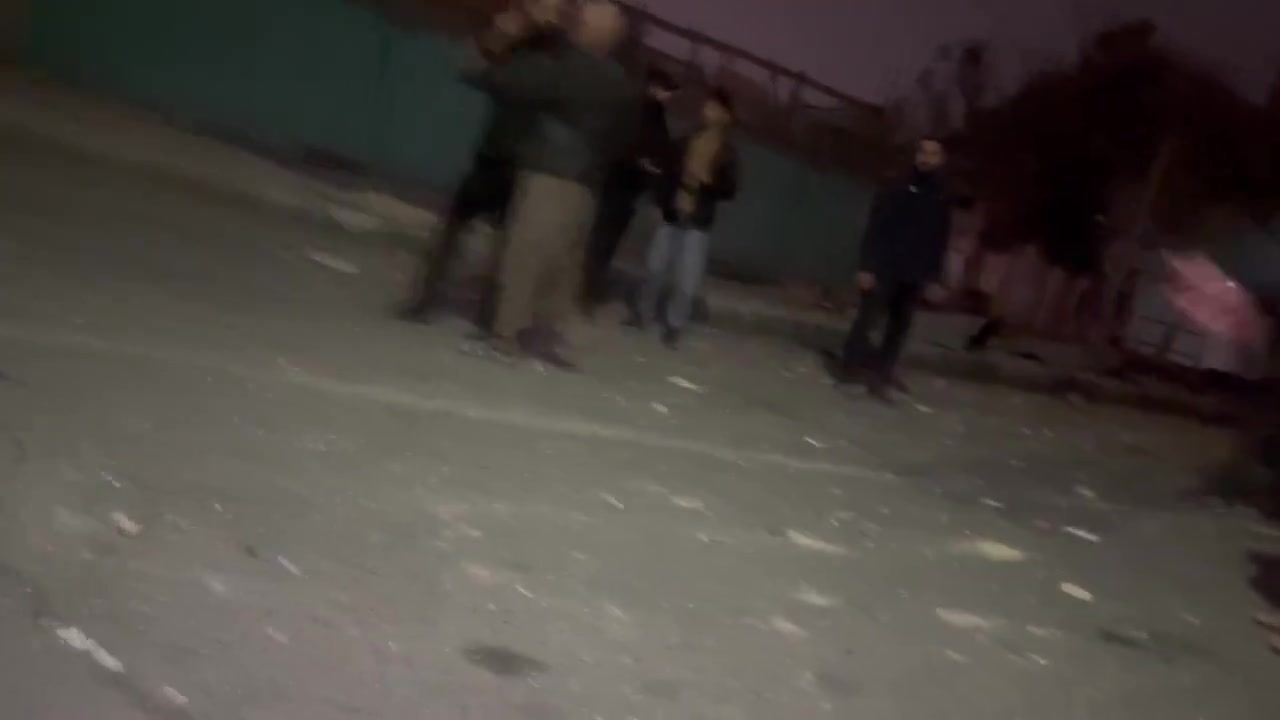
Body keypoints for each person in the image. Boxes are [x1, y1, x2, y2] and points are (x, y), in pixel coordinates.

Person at [468, 0, 640, 369]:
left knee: (525, 257)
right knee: (562, 268)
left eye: (579, 16)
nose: (573, 19)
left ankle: (505, 338)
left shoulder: (567, 66)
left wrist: (518, 31)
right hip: (587, 186)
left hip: (549, 176)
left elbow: (498, 77)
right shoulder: (620, 83)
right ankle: (544, 340)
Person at [399, 0, 567, 326]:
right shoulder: (529, 47)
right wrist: (500, 33)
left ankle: (467, 308)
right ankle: (434, 300)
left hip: (518, 163)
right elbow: (479, 64)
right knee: (463, 234)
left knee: (498, 245)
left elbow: (484, 70)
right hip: (499, 158)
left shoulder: (554, 54)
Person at [832, 136, 951, 400]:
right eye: (922, 152)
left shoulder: (941, 197)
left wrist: (933, 276)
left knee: (899, 327)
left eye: (932, 154)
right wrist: (867, 266)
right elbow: (876, 228)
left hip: (914, 272)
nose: (925, 158)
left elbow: (939, 239)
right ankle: (849, 368)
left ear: (941, 159)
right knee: (868, 319)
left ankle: (881, 373)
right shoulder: (896, 186)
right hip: (884, 267)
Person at [626, 88, 740, 348]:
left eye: (714, 108)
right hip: (673, 214)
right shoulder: (687, 139)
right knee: (654, 268)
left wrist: (708, 184)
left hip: (698, 221)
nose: (707, 112)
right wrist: (662, 202)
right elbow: (667, 173)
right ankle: (643, 314)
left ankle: (674, 326)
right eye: (706, 106)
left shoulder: (727, 152)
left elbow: (730, 188)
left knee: (687, 280)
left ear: (726, 116)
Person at [582, 68, 678, 310]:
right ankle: (585, 287)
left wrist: (653, 168)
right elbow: (620, 142)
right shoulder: (638, 110)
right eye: (666, 90)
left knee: (606, 240)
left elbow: (658, 150)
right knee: (601, 238)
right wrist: (640, 162)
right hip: (618, 183)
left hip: (628, 187)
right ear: (653, 87)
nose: (669, 96)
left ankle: (589, 286)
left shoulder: (655, 115)